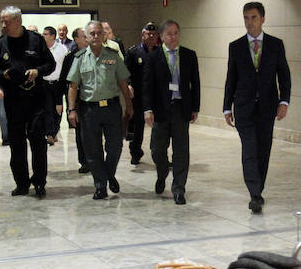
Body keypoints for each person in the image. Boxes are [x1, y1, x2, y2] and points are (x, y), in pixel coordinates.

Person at [223, 1, 291, 213]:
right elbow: (231, 78)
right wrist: (227, 107)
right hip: (243, 108)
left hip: (267, 107)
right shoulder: (235, 46)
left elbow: (284, 75)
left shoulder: (275, 45)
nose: (249, 22)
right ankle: (254, 193)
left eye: (253, 17)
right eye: (245, 18)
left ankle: (258, 189)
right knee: (249, 150)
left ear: (262, 19)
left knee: (263, 150)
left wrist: (284, 101)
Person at [0, 5, 55, 197]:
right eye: (2, 21)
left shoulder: (36, 41)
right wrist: (5, 75)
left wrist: (37, 72)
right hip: (13, 100)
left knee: (38, 142)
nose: (3, 25)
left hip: (35, 100)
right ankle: (21, 183)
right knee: (17, 143)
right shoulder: (1, 43)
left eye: (6, 21)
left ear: (18, 21)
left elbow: (50, 64)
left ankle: (40, 182)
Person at [66, 21, 133, 200]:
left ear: (104, 36)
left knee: (115, 147)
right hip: (89, 110)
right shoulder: (80, 58)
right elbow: (73, 86)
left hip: (111, 108)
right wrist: (71, 110)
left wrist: (129, 105)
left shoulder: (113, 56)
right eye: (92, 34)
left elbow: (123, 83)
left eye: (98, 33)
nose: (95, 36)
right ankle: (100, 185)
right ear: (86, 37)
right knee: (93, 150)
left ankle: (109, 174)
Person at [143, 19, 200, 205]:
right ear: (162, 37)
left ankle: (178, 189)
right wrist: (147, 109)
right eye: (169, 34)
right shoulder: (153, 57)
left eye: (176, 33)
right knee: (157, 149)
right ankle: (162, 172)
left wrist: (195, 107)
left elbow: (195, 84)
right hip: (160, 110)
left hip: (181, 108)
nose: (173, 37)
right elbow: (147, 86)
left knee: (181, 152)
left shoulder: (189, 55)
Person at [125, 22, 159, 165]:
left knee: (159, 126)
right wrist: (129, 85)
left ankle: (159, 153)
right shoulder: (134, 52)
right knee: (138, 125)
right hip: (139, 94)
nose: (151, 36)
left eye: (153, 34)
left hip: (156, 95)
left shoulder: (160, 51)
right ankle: (135, 152)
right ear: (142, 35)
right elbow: (125, 72)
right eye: (148, 34)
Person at [59, 27, 89, 173]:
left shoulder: (97, 54)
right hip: (78, 101)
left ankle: (95, 159)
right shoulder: (70, 57)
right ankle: (84, 161)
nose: (87, 39)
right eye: (84, 36)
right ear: (76, 39)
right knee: (80, 132)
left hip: (93, 99)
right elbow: (64, 81)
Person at [41, 26, 67, 145]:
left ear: (52, 36)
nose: (43, 36)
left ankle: (54, 131)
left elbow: (66, 68)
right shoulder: (41, 49)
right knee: (47, 109)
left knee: (57, 109)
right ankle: (49, 134)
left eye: (45, 34)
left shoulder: (62, 49)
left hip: (58, 83)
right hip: (44, 83)